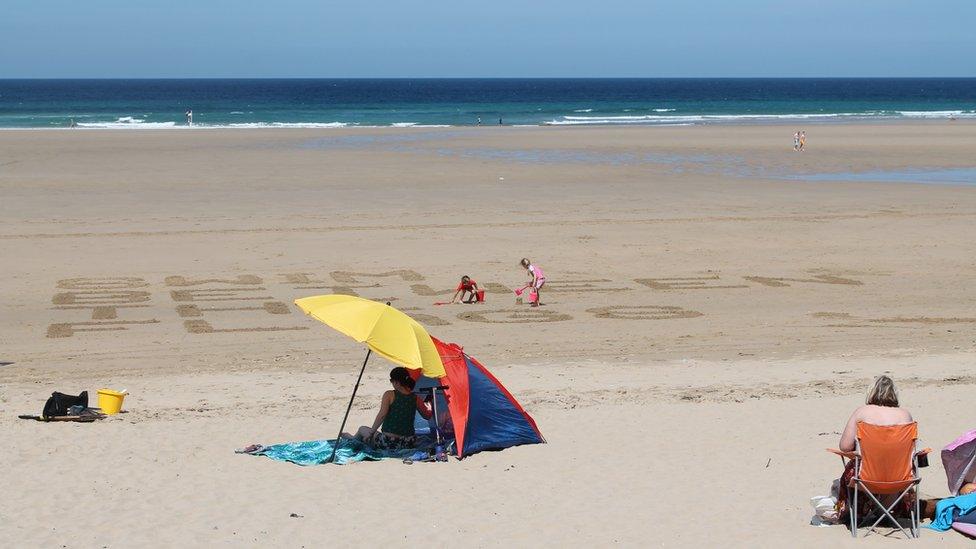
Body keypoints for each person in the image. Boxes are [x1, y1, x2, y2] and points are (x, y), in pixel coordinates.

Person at [346, 367, 431, 450]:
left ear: (397, 382)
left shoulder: (389, 394)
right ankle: (351, 438)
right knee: (367, 433)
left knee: (362, 429)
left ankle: (352, 439)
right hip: (408, 442)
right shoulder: (415, 397)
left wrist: (371, 433)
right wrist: (430, 406)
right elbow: (427, 416)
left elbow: (382, 415)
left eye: (391, 381)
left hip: (389, 442)